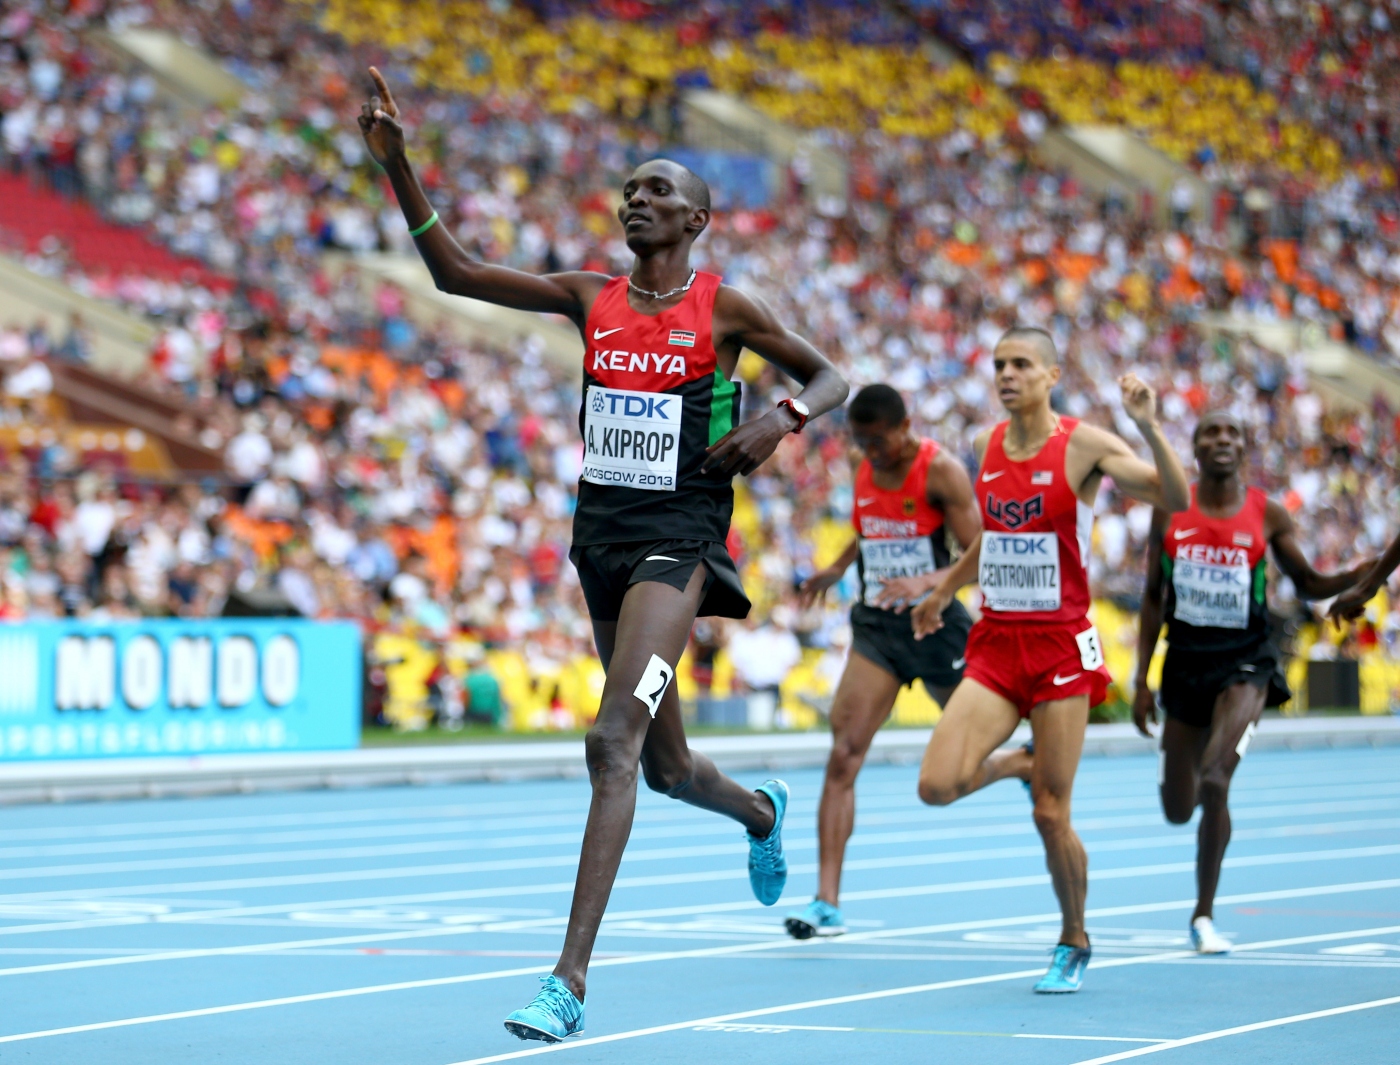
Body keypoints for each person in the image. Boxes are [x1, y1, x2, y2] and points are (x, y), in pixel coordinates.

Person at [358, 69, 849, 1043]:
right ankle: (758, 811)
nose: (638, 199)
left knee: (609, 738)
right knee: (661, 769)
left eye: (659, 190)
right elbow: (454, 273)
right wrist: (400, 168)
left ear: (699, 219)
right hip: (603, 541)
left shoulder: (727, 309)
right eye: (630, 189)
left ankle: (568, 980)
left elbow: (833, 374)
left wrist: (778, 420)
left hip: (682, 539)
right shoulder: (590, 297)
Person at [910, 326, 1189, 994]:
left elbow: (1175, 498)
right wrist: (945, 588)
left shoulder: (1084, 444)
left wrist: (1149, 426)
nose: (1007, 374)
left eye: (1021, 364)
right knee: (936, 784)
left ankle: (1074, 936)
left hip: (1061, 647)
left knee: (1050, 813)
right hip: (998, 642)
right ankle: (1016, 763)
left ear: (1052, 374)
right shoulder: (986, 445)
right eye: (1000, 364)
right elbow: (996, 539)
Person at [1136, 412, 1372, 952]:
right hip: (1185, 662)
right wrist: (1142, 681)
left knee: (1217, 780)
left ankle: (1202, 916)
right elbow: (1152, 598)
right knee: (1178, 807)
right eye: (1209, 435)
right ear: (1193, 451)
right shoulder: (1170, 508)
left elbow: (1308, 581)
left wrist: (1367, 571)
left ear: (1244, 449)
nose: (1221, 441)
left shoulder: (1265, 512)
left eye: (1231, 435)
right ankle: (1190, 784)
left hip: (1247, 661)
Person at [787, 383, 979, 939]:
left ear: (904, 428)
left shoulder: (940, 472)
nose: (871, 452)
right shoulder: (862, 461)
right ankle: (826, 902)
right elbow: (872, 529)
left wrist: (928, 581)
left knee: (979, 741)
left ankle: (1020, 764)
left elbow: (979, 554)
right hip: (878, 628)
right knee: (843, 756)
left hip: (937, 624)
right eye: (861, 442)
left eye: (880, 442)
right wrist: (835, 567)